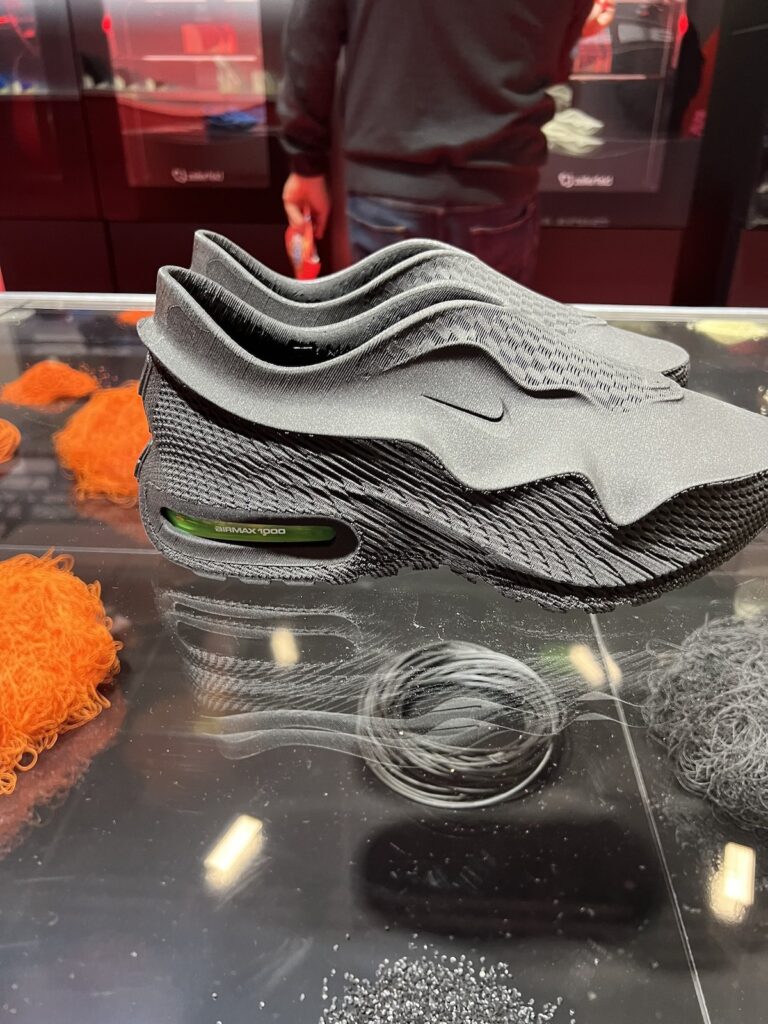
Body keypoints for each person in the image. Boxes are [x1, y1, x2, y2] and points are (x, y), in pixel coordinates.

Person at [279, 0, 607, 283]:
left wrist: (306, 164)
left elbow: (310, 41)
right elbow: (554, 64)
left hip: (387, 192)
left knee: (393, 338)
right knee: (488, 337)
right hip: (499, 192)